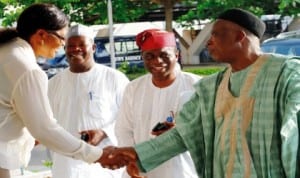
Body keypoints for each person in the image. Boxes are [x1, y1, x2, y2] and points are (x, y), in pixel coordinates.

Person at [99, 8, 300, 178]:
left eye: (215, 34)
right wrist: (135, 154)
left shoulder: (287, 75)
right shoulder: (212, 87)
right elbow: (182, 134)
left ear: (239, 36)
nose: (208, 42)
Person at [0, 3, 103, 178]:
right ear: (41, 34)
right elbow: (44, 129)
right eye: (61, 38)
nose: (63, 45)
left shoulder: (7, 50)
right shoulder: (27, 69)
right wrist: (96, 155)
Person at [114, 29, 201, 178]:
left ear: (176, 54)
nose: (157, 61)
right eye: (149, 56)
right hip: (141, 171)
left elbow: (207, 131)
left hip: (183, 171)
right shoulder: (134, 88)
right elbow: (124, 130)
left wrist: (179, 132)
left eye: (164, 55)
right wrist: (131, 161)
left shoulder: (196, 85)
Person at [48, 24, 129, 178]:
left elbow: (129, 116)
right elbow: (46, 121)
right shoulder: (53, 83)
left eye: (81, 45)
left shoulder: (114, 78)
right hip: (66, 164)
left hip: (104, 161)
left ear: (93, 47)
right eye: (70, 45)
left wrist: (104, 132)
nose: (75, 49)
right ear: (64, 49)